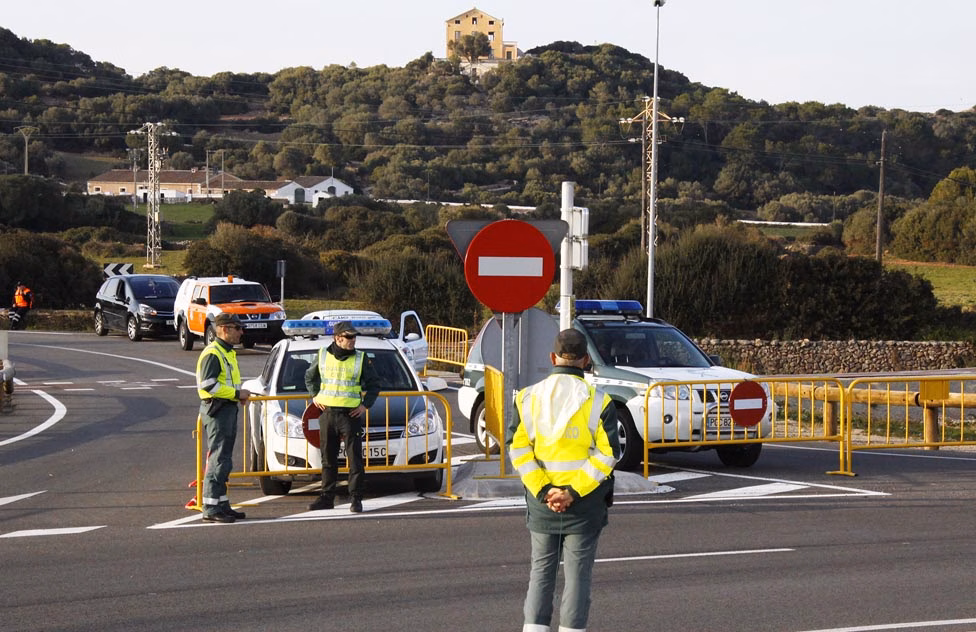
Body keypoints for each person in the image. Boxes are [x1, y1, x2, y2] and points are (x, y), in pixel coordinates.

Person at [507, 328, 620, 632]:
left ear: (552, 357)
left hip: (542, 504)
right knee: (578, 577)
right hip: (584, 506)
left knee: (541, 573)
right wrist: (572, 492)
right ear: (586, 360)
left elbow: (518, 449)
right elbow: (609, 454)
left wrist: (546, 491)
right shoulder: (599, 401)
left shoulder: (527, 398)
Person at [304, 321, 380, 513]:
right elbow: (309, 377)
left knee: (355, 460)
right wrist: (315, 396)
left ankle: (356, 499)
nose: (353, 340)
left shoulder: (360, 358)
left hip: (350, 415)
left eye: (354, 337)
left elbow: (374, 384)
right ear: (337, 338)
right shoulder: (322, 355)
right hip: (328, 414)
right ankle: (327, 497)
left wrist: (365, 405)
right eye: (348, 337)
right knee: (328, 459)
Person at [196, 312, 250, 523]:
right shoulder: (213, 353)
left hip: (227, 408)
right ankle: (210, 507)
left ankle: (221, 503)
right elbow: (208, 385)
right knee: (218, 458)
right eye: (237, 328)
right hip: (218, 410)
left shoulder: (227, 352)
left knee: (224, 459)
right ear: (224, 329)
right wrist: (237, 394)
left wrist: (236, 396)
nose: (241, 332)